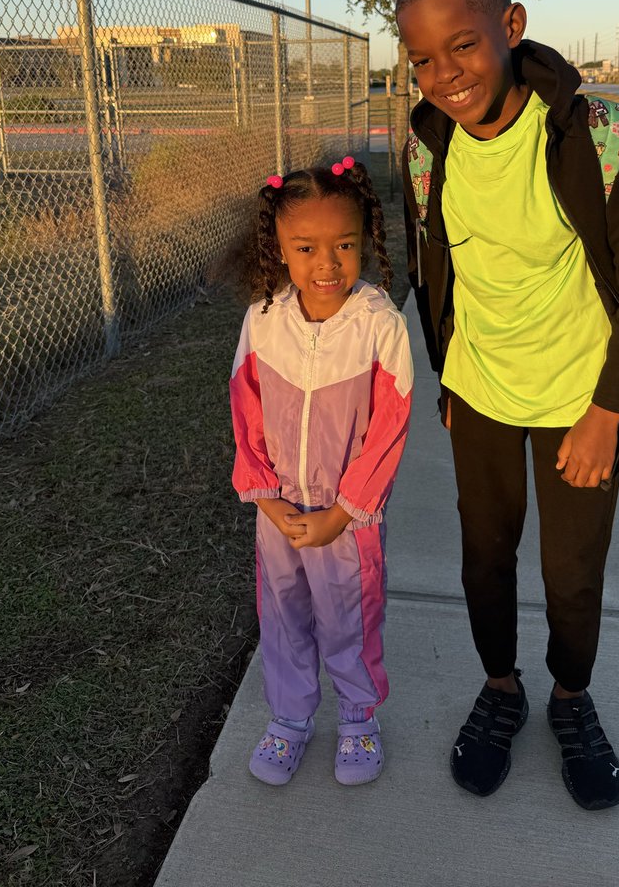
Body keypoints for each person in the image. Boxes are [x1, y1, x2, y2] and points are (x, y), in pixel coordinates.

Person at [397, 0, 619, 810]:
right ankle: (500, 687)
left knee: (572, 571)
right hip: (481, 392)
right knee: (483, 558)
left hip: (581, 397)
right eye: (421, 59)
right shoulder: (426, 149)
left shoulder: (592, 133)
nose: (443, 75)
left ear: (511, 27)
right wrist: (448, 379)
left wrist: (608, 412)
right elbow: (437, 275)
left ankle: (571, 697)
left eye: (462, 45)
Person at [230, 156, 413, 787]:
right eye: (306, 248)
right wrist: (264, 496)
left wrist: (345, 511)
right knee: (283, 615)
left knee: (349, 618)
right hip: (279, 512)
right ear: (279, 248)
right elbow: (245, 409)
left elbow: (390, 428)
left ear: (364, 242)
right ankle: (290, 718)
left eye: (345, 245)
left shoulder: (379, 325)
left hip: (347, 519)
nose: (327, 263)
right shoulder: (263, 320)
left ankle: (358, 718)